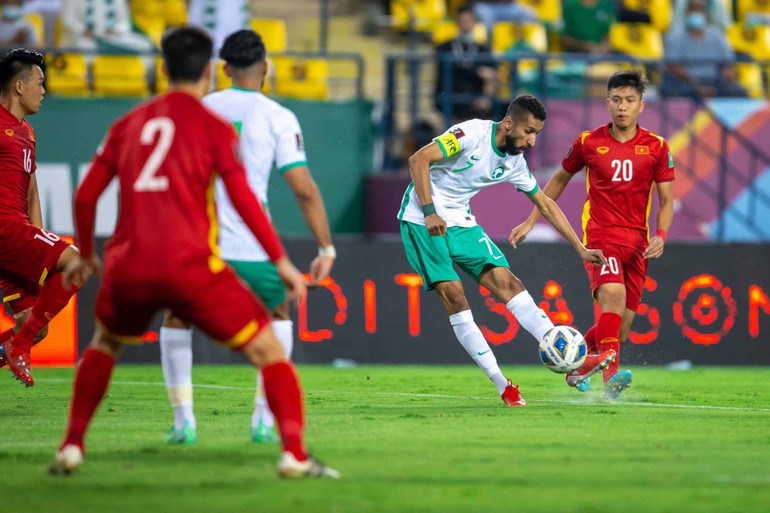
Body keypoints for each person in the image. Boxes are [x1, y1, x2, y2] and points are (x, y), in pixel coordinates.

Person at [47, 26, 339, 479]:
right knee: (269, 348)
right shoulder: (213, 127)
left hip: (129, 263)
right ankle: (292, 454)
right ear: (208, 71)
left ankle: (72, 446)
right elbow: (244, 199)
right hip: (192, 262)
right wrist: (281, 261)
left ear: (163, 69)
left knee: (104, 344)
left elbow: (85, 197)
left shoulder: (128, 123)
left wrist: (85, 253)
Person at [159, 28, 335, 446]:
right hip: (255, 247)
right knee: (278, 318)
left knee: (176, 318)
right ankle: (263, 419)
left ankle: (184, 422)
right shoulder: (278, 116)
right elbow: (304, 188)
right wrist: (325, 245)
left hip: (201, 242)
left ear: (222, 70)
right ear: (266, 69)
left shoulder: (199, 107)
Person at [397, 94, 612, 406]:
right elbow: (418, 159)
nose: (532, 141)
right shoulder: (472, 134)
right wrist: (430, 211)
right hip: (421, 217)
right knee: (456, 297)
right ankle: (503, 385)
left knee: (510, 284)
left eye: (537, 133)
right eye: (529, 132)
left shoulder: (514, 164)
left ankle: (570, 363)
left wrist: (579, 247)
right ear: (509, 123)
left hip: (460, 221)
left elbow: (546, 205)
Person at [510, 70, 675, 399]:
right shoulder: (588, 143)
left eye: (629, 100)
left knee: (619, 331)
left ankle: (576, 367)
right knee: (612, 298)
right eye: (616, 100)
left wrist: (661, 234)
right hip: (600, 239)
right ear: (607, 103)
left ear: (641, 105)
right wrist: (531, 220)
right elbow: (557, 181)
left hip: (637, 247)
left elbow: (667, 199)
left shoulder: (657, 147)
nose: (622, 107)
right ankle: (609, 382)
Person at [0, 48, 90, 387]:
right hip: (4, 228)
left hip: (16, 234)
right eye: (40, 82)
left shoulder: (28, 132)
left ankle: (17, 344)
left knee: (35, 326)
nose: (44, 90)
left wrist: (36, 236)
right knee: (80, 263)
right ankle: (17, 347)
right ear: (19, 86)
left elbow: (32, 190)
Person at [662, 0, 747, 98]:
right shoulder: (676, 35)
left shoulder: (717, 34)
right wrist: (697, 87)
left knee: (739, 91)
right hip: (686, 83)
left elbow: (728, 63)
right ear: (686, 12)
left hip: (715, 82)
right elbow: (673, 66)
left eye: (700, 9)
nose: (696, 13)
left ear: (706, 13)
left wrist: (719, 83)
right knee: (671, 91)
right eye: (693, 9)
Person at [435, 5, 496, 122]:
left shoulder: (483, 50)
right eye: (462, 21)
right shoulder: (445, 48)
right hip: (451, 101)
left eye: (468, 21)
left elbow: (492, 75)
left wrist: (486, 98)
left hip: (475, 102)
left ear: (475, 23)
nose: (465, 24)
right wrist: (477, 70)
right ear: (457, 23)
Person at [59, 0, 153, 53]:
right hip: (85, 37)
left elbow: (124, 22)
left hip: (112, 36)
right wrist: (83, 30)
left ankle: (146, 80)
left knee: (145, 45)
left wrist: (115, 30)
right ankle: (89, 80)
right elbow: (67, 18)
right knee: (85, 46)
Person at [471, 0, 539, 33]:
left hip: (509, 6)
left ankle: (527, 47)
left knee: (530, 14)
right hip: (486, 6)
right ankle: (487, 49)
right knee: (486, 17)